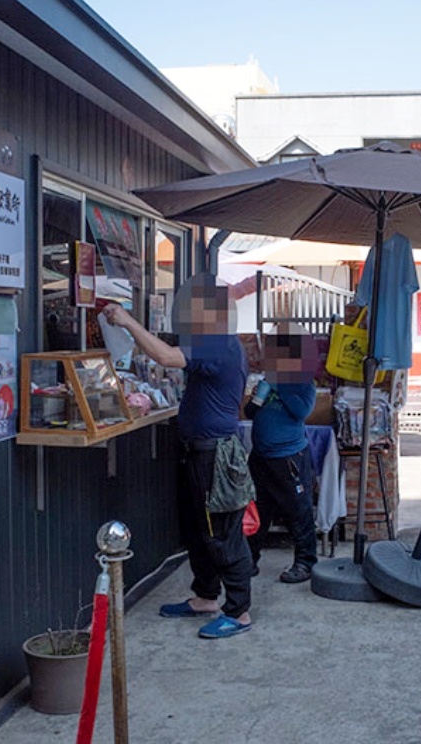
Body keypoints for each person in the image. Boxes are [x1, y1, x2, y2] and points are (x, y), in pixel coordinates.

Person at [102, 274, 253, 639]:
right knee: (199, 531)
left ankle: (239, 611)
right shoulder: (210, 341)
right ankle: (205, 597)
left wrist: (126, 320)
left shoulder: (218, 344)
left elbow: (166, 356)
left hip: (214, 454)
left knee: (221, 532)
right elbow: (169, 344)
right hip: (200, 451)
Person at [245, 324, 319, 584]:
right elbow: (250, 413)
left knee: (298, 510)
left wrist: (279, 385)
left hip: (288, 458)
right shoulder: (268, 380)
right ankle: (249, 560)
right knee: (256, 509)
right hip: (261, 456)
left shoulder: (303, 383)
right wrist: (257, 397)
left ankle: (306, 561)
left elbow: (300, 412)